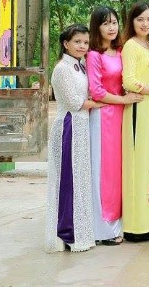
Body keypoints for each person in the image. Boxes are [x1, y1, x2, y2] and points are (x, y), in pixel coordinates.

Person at [86, 7, 142, 246]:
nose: (111, 27)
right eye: (105, 23)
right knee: (105, 171)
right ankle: (104, 228)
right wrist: (123, 100)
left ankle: (122, 221)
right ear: (96, 27)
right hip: (104, 116)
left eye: (114, 22)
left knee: (121, 169)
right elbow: (97, 92)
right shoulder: (93, 55)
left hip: (123, 114)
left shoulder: (121, 51)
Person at [46, 24, 97, 253]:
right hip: (69, 126)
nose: (82, 46)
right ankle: (66, 232)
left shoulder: (81, 66)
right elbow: (75, 102)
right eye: (77, 42)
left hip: (81, 126)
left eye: (85, 42)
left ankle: (80, 230)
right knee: (68, 178)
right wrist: (103, 103)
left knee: (80, 178)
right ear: (65, 44)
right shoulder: (62, 69)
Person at [121, 1, 149, 242]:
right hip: (138, 107)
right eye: (140, 19)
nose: (145, 24)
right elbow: (129, 81)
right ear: (132, 22)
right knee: (138, 165)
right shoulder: (130, 46)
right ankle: (135, 227)